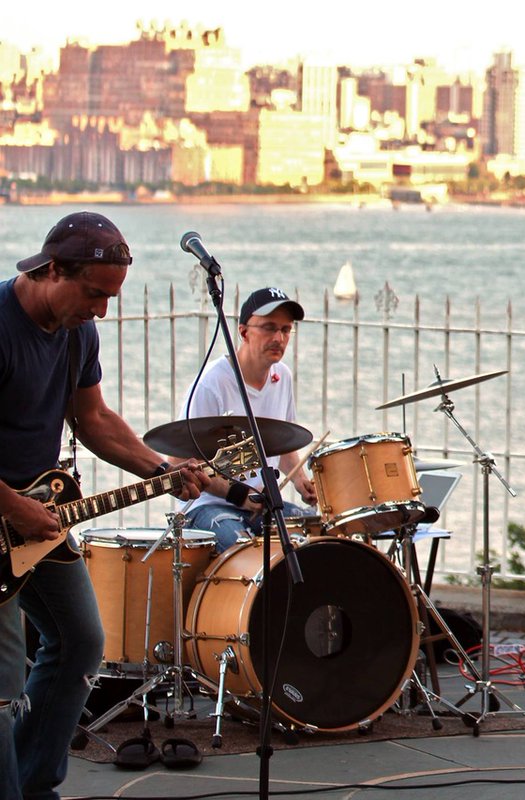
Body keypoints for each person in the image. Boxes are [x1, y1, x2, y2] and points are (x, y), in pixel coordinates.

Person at [0, 211, 208, 800]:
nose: (102, 311)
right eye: (94, 294)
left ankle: (34, 782)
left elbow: (92, 420)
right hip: (14, 512)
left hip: (40, 517)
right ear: (50, 270)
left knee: (81, 642)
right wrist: (14, 508)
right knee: (3, 672)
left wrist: (161, 469)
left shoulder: (76, 334)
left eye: (112, 297)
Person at [176, 287, 317, 552]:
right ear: (243, 332)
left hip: (261, 505)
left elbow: (281, 447)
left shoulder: (282, 377)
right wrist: (237, 494)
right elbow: (180, 463)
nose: (279, 338)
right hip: (208, 506)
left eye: (286, 330)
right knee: (244, 551)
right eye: (269, 328)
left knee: (316, 540)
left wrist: (301, 481)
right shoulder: (212, 384)